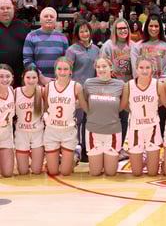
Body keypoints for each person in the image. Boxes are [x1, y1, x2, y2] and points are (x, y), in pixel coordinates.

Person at [43, 57, 88, 176]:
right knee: (53, 172)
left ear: (70, 71)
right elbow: (46, 107)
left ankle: (76, 154)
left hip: (68, 131)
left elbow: (83, 105)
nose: (62, 72)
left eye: (65, 69)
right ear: (55, 70)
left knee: (66, 172)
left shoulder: (76, 86)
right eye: (59, 69)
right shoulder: (49, 86)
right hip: (52, 131)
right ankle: (56, 157)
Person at [124, 55, 165, 177]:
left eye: (147, 67)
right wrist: (134, 111)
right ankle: (143, 154)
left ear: (152, 69)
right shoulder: (129, 85)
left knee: (153, 173)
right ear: (136, 69)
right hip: (135, 129)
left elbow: (164, 102)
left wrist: (153, 107)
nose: (144, 70)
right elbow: (123, 105)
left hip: (152, 128)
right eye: (141, 67)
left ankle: (152, 157)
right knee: (136, 173)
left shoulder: (157, 84)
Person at [83, 57, 125, 176]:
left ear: (111, 68)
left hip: (113, 132)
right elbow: (84, 102)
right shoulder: (89, 83)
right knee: (95, 173)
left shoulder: (120, 85)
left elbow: (123, 105)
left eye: (104, 66)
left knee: (111, 173)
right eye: (98, 67)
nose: (101, 69)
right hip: (93, 131)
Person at [65, 20, 100, 162]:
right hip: (76, 91)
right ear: (77, 34)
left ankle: (87, 148)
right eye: (82, 31)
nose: (85, 34)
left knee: (89, 121)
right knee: (77, 120)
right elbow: (66, 71)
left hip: (91, 91)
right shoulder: (72, 50)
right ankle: (75, 148)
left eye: (87, 31)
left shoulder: (96, 50)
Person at [100, 19, 134, 154]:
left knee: (124, 119)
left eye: (125, 28)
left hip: (127, 88)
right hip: (111, 89)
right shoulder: (108, 45)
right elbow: (101, 65)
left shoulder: (133, 46)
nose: (123, 31)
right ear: (115, 30)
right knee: (110, 120)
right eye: (120, 28)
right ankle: (107, 146)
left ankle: (119, 147)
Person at [23, 7, 69, 86]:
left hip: (58, 81)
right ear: (40, 20)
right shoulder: (31, 36)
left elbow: (66, 60)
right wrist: (41, 77)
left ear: (55, 21)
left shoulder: (62, 37)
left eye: (51, 17)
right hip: (36, 82)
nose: (49, 18)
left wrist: (60, 76)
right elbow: (27, 60)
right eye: (46, 16)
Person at [14, 66, 44, 175]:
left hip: (38, 133)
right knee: (22, 171)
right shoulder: (16, 92)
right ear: (23, 77)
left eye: (34, 77)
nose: (31, 81)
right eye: (28, 77)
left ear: (38, 78)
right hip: (21, 133)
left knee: (36, 171)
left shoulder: (43, 91)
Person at [0, 0, 30, 87]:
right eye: (2, 8)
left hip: (19, 75)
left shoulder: (23, 26)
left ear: (13, 9)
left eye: (8, 8)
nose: (5, 11)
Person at [0, 64, 15, 177]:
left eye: (7, 76)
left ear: (12, 78)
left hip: (6, 137)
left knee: (8, 173)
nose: (5, 79)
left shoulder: (12, 91)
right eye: (1, 76)